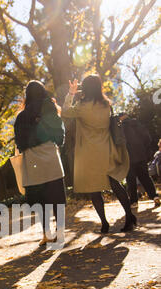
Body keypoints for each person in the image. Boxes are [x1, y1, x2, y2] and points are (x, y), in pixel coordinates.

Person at [61, 74, 136, 233]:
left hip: (89, 152)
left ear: (85, 88)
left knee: (94, 188)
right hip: (107, 148)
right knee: (115, 183)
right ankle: (129, 216)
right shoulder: (106, 105)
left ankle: (104, 223)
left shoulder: (82, 107)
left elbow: (65, 111)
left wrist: (71, 93)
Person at [14, 80, 66, 246]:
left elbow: (20, 143)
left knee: (41, 200)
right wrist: (58, 142)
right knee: (57, 197)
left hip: (33, 159)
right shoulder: (49, 106)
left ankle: (46, 234)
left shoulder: (21, 117)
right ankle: (60, 232)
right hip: (50, 155)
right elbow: (59, 129)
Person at [118, 113, 160, 208]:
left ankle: (133, 202)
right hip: (141, 155)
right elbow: (148, 138)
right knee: (145, 177)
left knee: (131, 179)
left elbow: (120, 143)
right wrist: (143, 149)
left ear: (121, 118)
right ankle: (154, 196)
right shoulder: (138, 124)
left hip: (129, 157)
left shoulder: (121, 128)